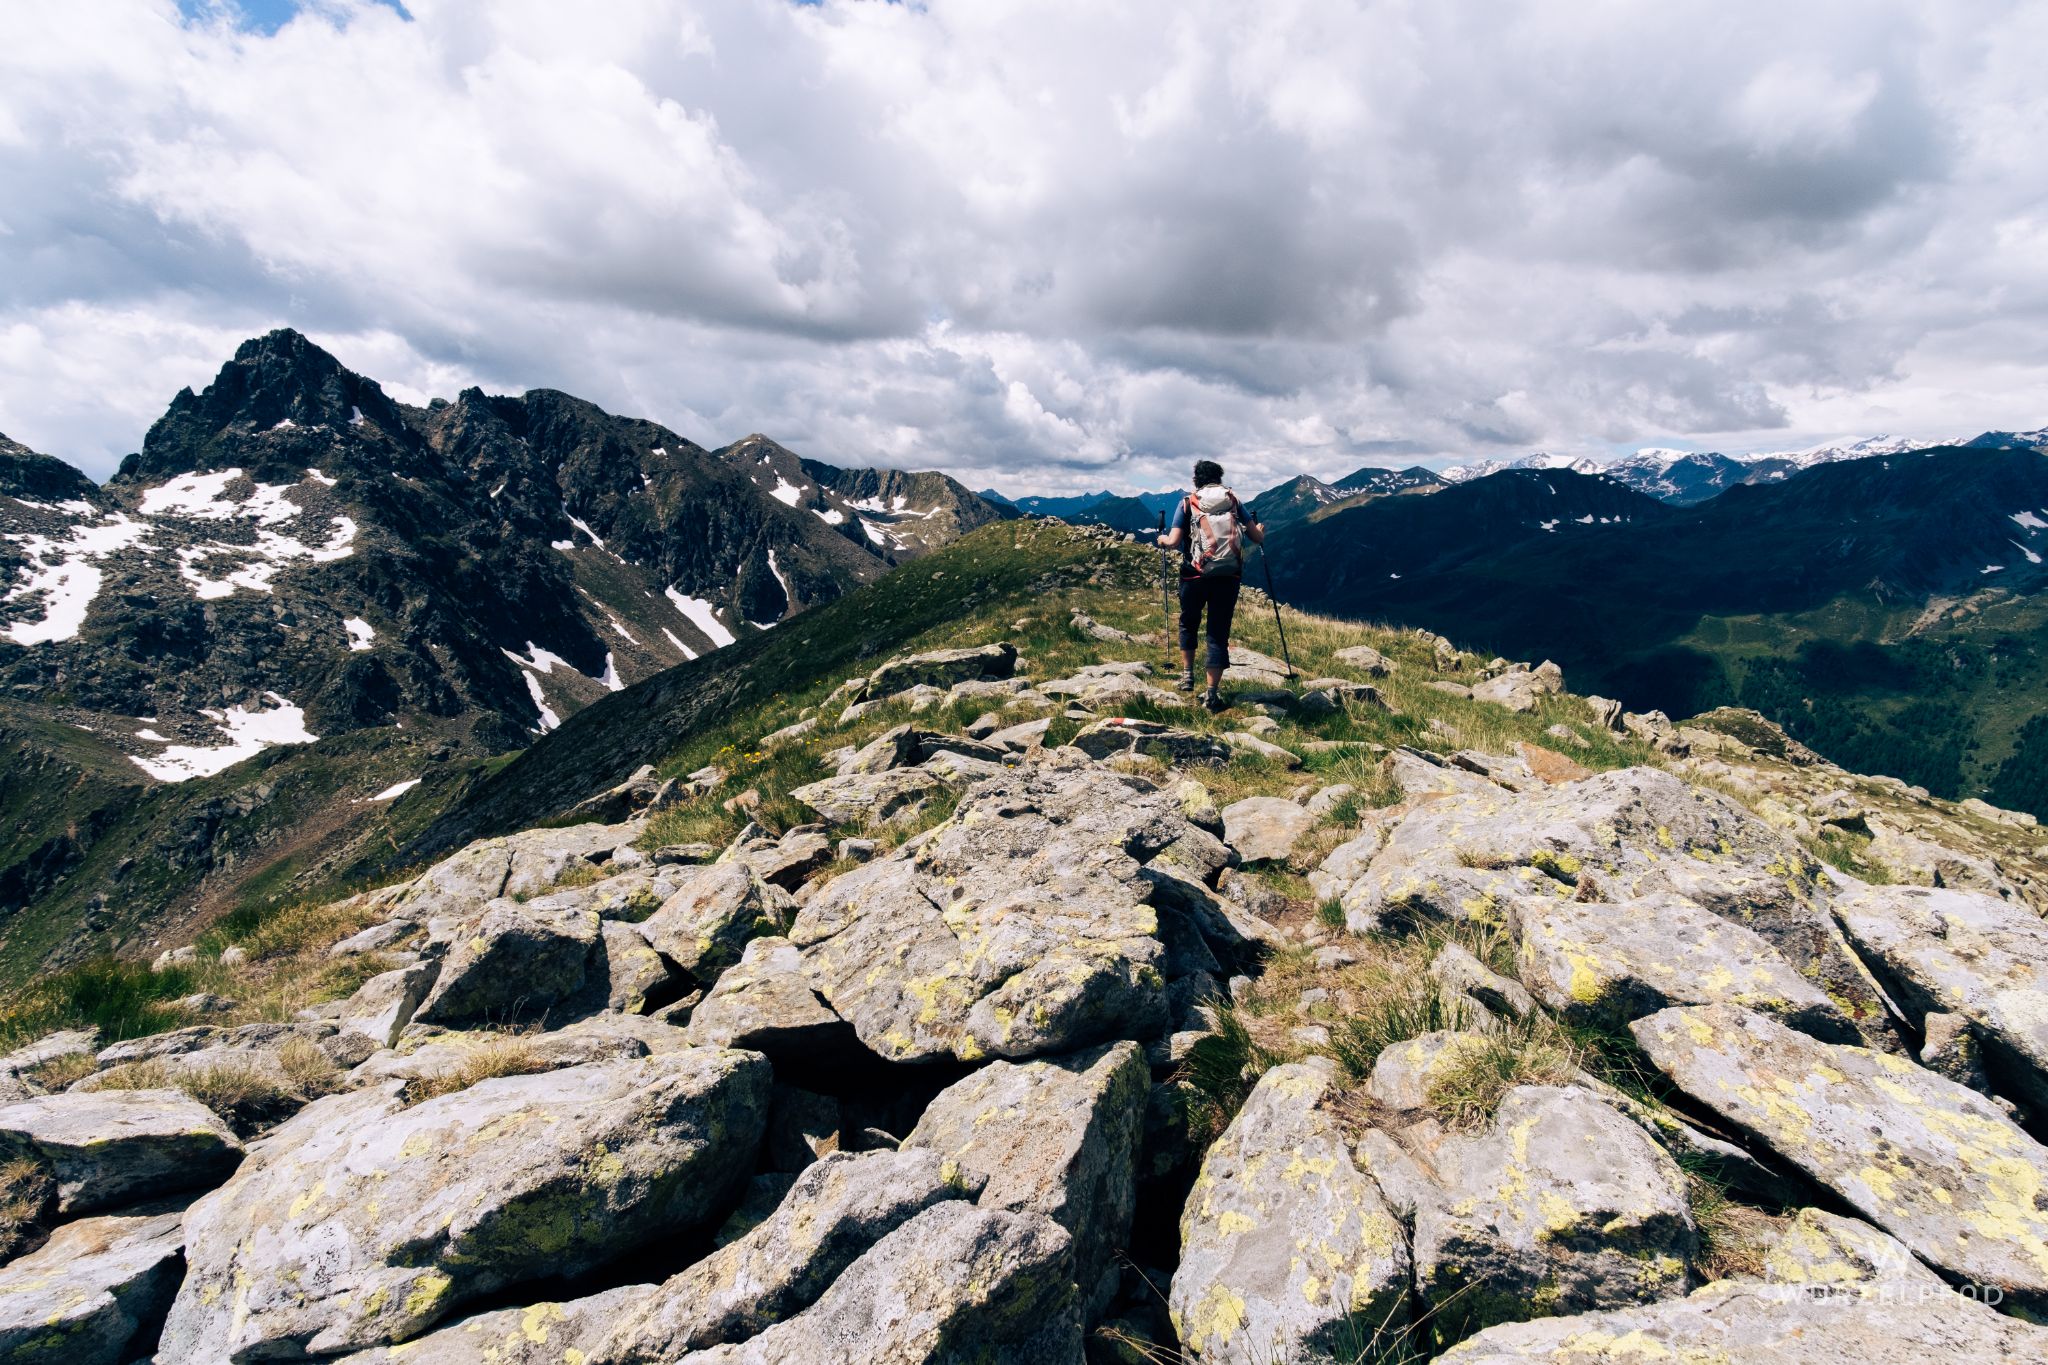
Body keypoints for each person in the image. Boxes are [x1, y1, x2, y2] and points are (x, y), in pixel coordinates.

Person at [1157, 459, 1264, 712]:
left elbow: (1173, 541)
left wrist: (1161, 539)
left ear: (1197, 479)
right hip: (1228, 576)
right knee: (1217, 632)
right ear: (1220, 477)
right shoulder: (1234, 501)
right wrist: (1260, 529)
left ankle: (1187, 676)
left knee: (1188, 621)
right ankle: (1212, 694)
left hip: (1194, 575)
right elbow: (1257, 538)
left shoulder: (1187, 503)